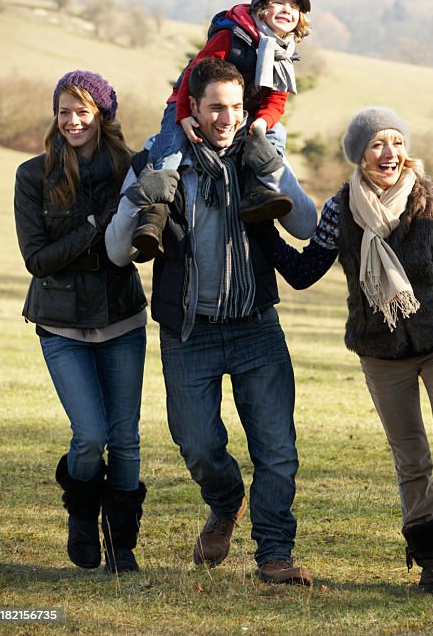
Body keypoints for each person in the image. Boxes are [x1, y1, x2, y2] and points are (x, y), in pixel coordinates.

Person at [257, 107, 433, 594]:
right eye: (377, 144)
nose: (388, 153)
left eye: (395, 141)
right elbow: (306, 272)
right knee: (409, 456)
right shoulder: (340, 208)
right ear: (360, 154)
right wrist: (263, 233)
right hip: (380, 348)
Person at [105, 57, 318, 585]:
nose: (227, 118)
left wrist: (271, 167)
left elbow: (308, 223)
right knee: (197, 444)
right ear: (192, 109)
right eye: (216, 107)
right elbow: (114, 250)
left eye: (236, 107)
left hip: (255, 327)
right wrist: (146, 190)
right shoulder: (158, 158)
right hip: (189, 333)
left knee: (277, 450)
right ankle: (226, 503)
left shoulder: (258, 154)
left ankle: (274, 554)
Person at [14, 70, 148, 574]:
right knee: (90, 435)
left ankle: (122, 545)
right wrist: (96, 226)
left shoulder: (129, 169)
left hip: (121, 317)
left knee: (127, 435)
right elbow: (38, 259)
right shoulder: (33, 175)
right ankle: (81, 513)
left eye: (83, 111)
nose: (72, 120)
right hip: (60, 322)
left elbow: (139, 245)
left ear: (102, 116)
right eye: (64, 111)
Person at [132, 0, 312, 258]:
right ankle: (153, 217)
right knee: (172, 149)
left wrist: (261, 125)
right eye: (278, 1)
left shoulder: (282, 54)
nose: (287, 9)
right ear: (262, 7)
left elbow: (276, 102)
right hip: (186, 102)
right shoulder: (232, 36)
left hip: (241, 114)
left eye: (294, 5)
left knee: (276, 133)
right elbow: (193, 73)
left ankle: (258, 189)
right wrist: (183, 114)